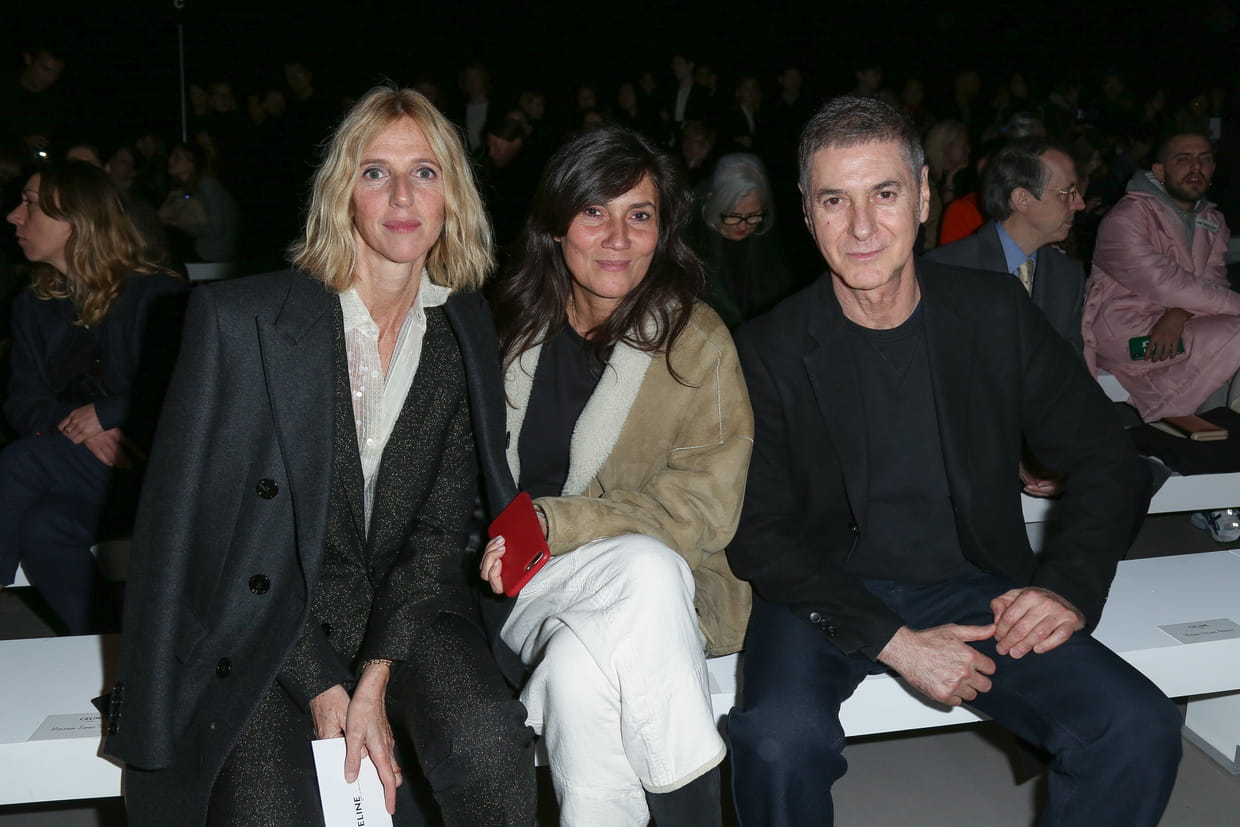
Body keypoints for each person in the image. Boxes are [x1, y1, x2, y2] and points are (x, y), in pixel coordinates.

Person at [726, 96, 1180, 827]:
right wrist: (896, 644)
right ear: (807, 213)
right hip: (822, 591)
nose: (862, 226)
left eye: (884, 193)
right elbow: (759, 533)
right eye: (835, 200)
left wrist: (1065, 588)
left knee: (1136, 727)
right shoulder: (767, 348)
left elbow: (1108, 457)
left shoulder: (993, 313)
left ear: (923, 197)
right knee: (778, 742)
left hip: (972, 586)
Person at [103, 86, 535, 826]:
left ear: (453, 196)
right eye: (375, 172)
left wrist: (375, 675)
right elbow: (203, 541)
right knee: (267, 809)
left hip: (401, 610)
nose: (402, 196)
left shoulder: (461, 327)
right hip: (264, 619)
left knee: (490, 749)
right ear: (342, 194)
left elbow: (437, 532)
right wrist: (323, 686)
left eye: (424, 172)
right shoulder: (242, 322)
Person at [480, 124, 753, 826]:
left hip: (661, 595)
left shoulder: (695, 342)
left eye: (640, 215)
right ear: (556, 225)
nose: (618, 238)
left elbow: (705, 509)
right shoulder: (505, 330)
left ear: (662, 231)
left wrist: (560, 521)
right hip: (521, 582)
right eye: (594, 211)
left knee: (581, 672)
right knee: (644, 568)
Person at [1, 160, 186, 632]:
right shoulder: (32, 305)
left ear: (74, 219)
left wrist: (106, 414)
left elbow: (186, 382)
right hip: (85, 471)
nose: (13, 216)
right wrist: (80, 427)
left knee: (20, 462)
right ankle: (111, 646)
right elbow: (21, 402)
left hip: (157, 472)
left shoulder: (156, 294)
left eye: (29, 204)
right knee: (43, 529)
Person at [1082, 130, 1240, 542]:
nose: (1196, 167)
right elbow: (1161, 281)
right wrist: (1179, 308)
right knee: (1234, 335)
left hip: (1178, 327)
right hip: (1128, 334)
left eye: (1204, 158)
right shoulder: (1126, 217)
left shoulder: (1212, 219)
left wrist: (1179, 314)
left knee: (1228, 344)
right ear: (1159, 169)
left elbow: (1209, 285)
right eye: (1183, 158)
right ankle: (1166, 443)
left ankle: (1195, 465)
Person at [928, 136, 1087, 355]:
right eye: (1066, 193)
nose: (1080, 204)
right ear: (1022, 199)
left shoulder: (1067, 275)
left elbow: (1071, 364)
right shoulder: (947, 270)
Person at [694, 153, 794, 328]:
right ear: (713, 201)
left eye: (753, 216)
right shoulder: (691, 241)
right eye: (733, 216)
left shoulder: (769, 240)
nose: (743, 226)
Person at [158, 141, 240, 263]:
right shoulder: (185, 189)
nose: (170, 160)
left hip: (215, 251)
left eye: (177, 157)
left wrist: (183, 226)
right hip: (205, 248)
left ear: (191, 164)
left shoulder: (207, 184)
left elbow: (216, 228)